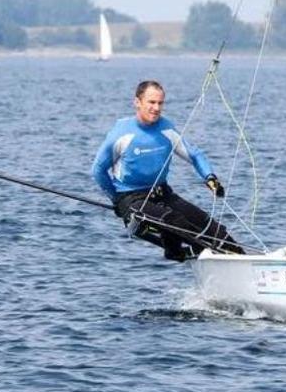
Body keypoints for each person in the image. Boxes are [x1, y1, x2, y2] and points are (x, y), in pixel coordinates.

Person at [92, 80, 244, 261]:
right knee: (176, 223)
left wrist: (210, 178)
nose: (156, 108)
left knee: (211, 228)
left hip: (163, 194)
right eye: (151, 102)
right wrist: (117, 201)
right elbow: (98, 171)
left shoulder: (166, 128)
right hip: (132, 199)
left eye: (160, 103)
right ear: (137, 102)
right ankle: (182, 251)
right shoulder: (122, 134)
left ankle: (241, 258)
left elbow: (194, 155)